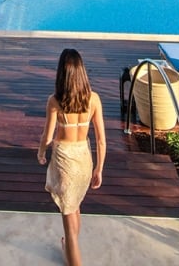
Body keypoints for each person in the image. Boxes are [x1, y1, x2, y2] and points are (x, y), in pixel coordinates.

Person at [37, 48, 106, 266]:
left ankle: (71, 247)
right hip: (84, 160)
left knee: (68, 215)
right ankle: (68, 244)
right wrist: (99, 169)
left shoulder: (54, 101)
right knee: (75, 206)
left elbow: (47, 137)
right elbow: (102, 140)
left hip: (65, 162)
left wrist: (40, 153)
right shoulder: (94, 99)